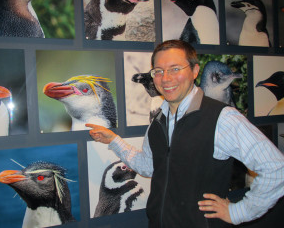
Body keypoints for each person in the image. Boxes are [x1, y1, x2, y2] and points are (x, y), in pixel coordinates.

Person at [86, 40, 284, 228]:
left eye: (175, 69)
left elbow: (276, 169)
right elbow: (149, 166)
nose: (166, 78)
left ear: (195, 71)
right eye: (159, 71)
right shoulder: (158, 122)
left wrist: (239, 212)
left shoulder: (222, 118)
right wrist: (114, 140)